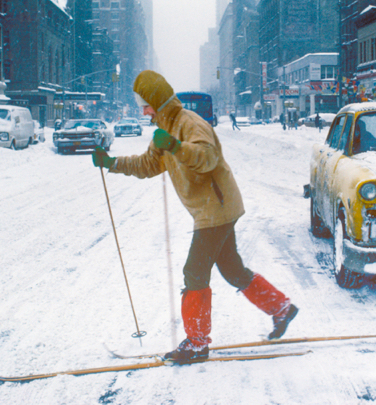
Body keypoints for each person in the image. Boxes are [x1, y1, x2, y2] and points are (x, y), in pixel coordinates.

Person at [92, 70, 298, 364]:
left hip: (216, 208)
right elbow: (150, 163)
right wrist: (112, 163)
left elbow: (207, 157)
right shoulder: (166, 126)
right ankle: (282, 309)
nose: (144, 111)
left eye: (146, 105)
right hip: (215, 209)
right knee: (232, 269)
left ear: (159, 102)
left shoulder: (189, 123)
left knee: (194, 273)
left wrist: (175, 146)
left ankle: (198, 344)